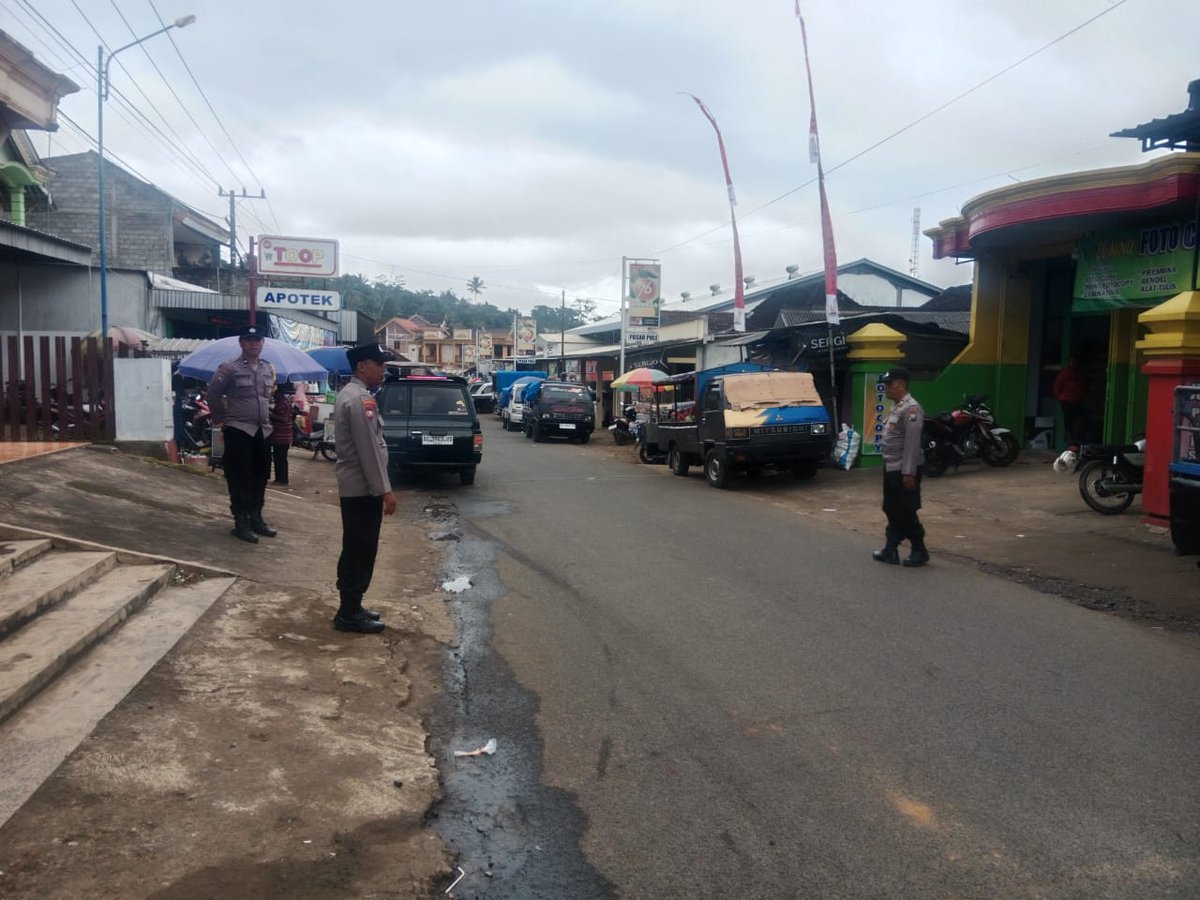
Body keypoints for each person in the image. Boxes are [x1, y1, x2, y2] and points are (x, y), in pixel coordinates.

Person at [333, 343, 397, 634]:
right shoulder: (359, 400)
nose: (383, 369)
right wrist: (385, 490)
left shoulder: (355, 395)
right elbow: (368, 450)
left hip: (359, 488)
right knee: (361, 549)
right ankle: (348, 613)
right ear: (362, 366)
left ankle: (352, 606)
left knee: (358, 547)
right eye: (379, 364)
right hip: (362, 489)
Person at [207, 325, 277, 544]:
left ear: (262, 343)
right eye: (249, 340)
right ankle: (241, 522)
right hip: (239, 430)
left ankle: (256, 518)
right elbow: (213, 394)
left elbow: (268, 397)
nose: (254, 343)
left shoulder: (268, 368)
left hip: (262, 431)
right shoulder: (229, 368)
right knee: (240, 477)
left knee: (261, 476)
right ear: (241, 343)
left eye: (257, 339)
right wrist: (222, 419)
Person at [872, 367, 929, 568]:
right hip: (891, 466)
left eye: (888, 384)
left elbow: (912, 444)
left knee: (906, 510)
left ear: (900, 385)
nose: (886, 388)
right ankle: (890, 549)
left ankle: (919, 549)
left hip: (904, 470)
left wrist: (908, 472)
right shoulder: (897, 407)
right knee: (891, 508)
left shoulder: (911, 409)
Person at [1053, 356, 1088, 451]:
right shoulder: (1064, 374)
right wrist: (1060, 398)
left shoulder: (1079, 375)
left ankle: (1075, 439)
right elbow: (1057, 387)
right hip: (1066, 401)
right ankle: (1070, 441)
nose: (1074, 365)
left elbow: (1082, 387)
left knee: (1078, 420)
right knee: (1068, 421)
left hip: (1076, 401)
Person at [269, 383, 295, 486]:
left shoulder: (282, 403)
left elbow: (283, 418)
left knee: (280, 458)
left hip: (281, 436)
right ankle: (279, 479)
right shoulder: (283, 402)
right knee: (279, 457)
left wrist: (270, 414)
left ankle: (282, 480)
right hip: (282, 436)